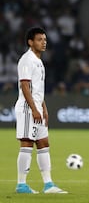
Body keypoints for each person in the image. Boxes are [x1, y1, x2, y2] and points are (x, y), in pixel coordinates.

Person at [14, 27, 67, 194]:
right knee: (27, 143)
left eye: (44, 39)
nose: (43, 42)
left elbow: (37, 88)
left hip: (37, 107)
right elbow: (24, 86)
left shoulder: (39, 60)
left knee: (43, 143)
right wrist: (34, 108)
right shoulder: (27, 59)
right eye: (39, 39)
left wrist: (43, 108)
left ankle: (48, 184)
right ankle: (21, 184)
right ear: (30, 42)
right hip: (27, 108)